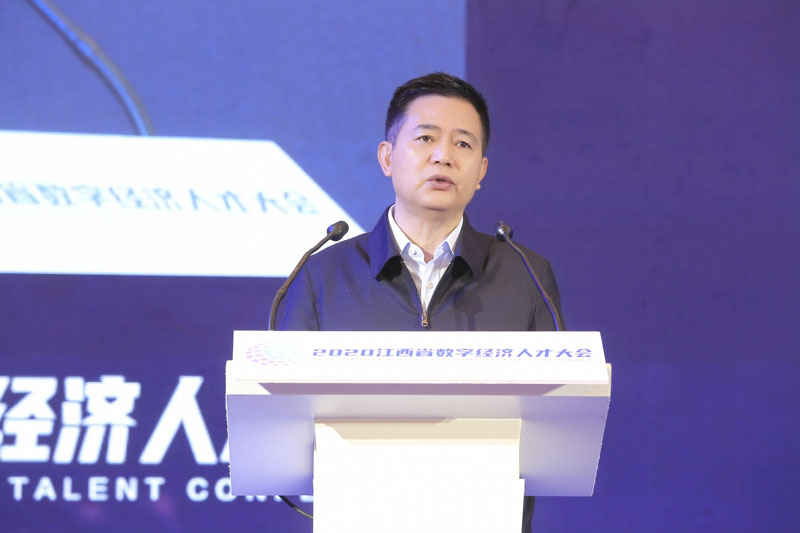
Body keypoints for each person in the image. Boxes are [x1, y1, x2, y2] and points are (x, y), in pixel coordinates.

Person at [277, 72, 563, 532]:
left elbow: (555, 421)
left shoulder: (525, 274)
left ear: (481, 171)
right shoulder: (323, 275)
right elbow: (286, 423)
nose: (443, 155)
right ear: (387, 157)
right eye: (426, 138)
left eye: (463, 144)